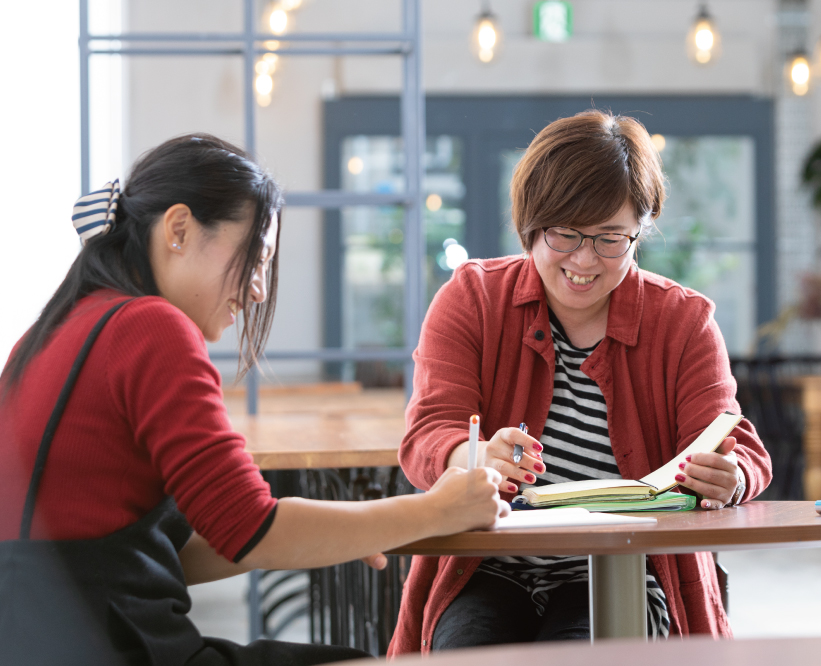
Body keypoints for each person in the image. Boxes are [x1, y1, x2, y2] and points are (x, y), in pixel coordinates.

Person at [0, 134, 509, 666]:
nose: (260, 289)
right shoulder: (150, 328)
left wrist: (355, 528)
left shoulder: (51, 333)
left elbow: (180, 554)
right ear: (178, 230)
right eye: (257, 257)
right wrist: (435, 509)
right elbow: (250, 529)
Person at [388, 110, 772, 655]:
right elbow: (427, 433)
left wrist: (730, 477)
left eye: (611, 239)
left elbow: (741, 448)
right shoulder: (473, 299)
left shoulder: (683, 323)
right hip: (488, 564)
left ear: (641, 229)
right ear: (530, 225)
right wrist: (470, 456)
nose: (585, 261)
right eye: (564, 235)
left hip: (625, 567)